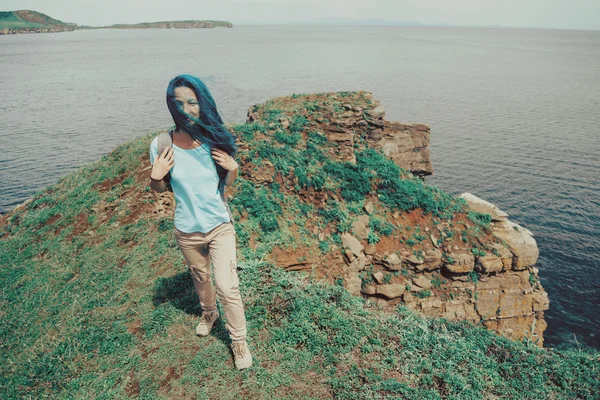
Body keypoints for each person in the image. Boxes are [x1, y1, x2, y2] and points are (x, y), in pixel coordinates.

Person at [148, 74, 252, 370]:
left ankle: (239, 341)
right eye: (178, 103)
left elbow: (225, 182)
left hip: (219, 226)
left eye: (192, 102)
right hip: (187, 230)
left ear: (201, 103)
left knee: (227, 286)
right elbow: (160, 188)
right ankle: (209, 313)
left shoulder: (213, 138)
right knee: (200, 278)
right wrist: (155, 176)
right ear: (171, 105)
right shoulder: (161, 144)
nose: (186, 109)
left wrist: (233, 169)